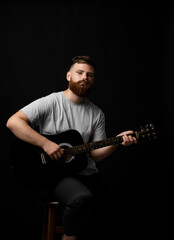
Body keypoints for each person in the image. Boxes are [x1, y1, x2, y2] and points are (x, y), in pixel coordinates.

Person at [6, 56, 137, 240]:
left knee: (112, 219)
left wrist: (116, 142)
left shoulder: (97, 114)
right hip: (55, 173)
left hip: (86, 173)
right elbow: (13, 122)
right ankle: (68, 237)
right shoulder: (51, 102)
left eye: (90, 75)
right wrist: (45, 143)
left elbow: (96, 156)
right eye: (80, 73)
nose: (85, 77)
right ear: (69, 76)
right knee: (81, 198)